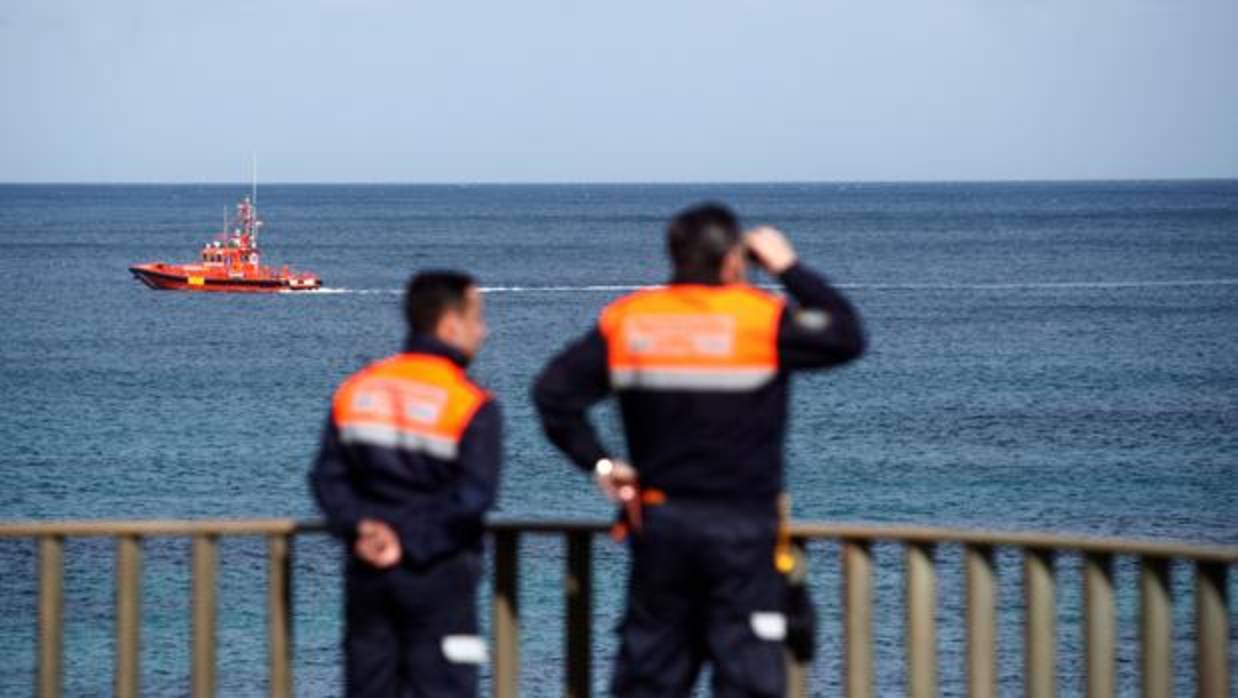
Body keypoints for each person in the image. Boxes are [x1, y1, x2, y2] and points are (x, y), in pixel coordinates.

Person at [533, 203, 865, 697]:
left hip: (662, 526)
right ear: (734, 260)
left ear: (673, 255)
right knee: (749, 676)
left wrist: (601, 463)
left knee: (650, 675)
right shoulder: (760, 319)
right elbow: (846, 335)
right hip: (743, 529)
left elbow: (553, 395)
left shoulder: (633, 321)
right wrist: (787, 266)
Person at [311, 270, 500, 698]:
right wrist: (410, 542)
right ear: (450, 326)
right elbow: (474, 496)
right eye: (477, 319)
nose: (483, 332)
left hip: (367, 572)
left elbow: (327, 478)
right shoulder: (471, 404)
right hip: (439, 575)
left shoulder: (357, 389)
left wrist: (361, 528)